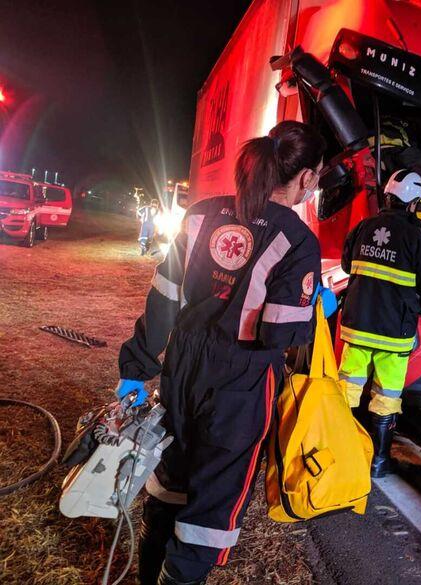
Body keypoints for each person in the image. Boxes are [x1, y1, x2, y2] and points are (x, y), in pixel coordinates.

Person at [116, 121, 326, 584]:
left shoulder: (200, 214)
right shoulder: (297, 239)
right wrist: (311, 307)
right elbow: (277, 334)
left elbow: (164, 298)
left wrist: (137, 366)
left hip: (182, 367)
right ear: (308, 177)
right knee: (210, 510)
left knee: (171, 481)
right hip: (242, 379)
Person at [338, 168, 421, 478]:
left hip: (357, 324)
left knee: (347, 389)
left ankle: (341, 451)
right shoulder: (416, 239)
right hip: (393, 334)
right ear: (413, 203)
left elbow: (347, 265)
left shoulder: (362, 227)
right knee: (385, 398)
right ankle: (379, 460)